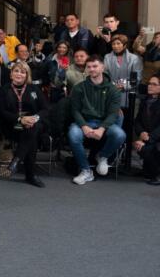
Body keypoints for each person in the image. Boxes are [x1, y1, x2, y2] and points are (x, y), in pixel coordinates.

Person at [67, 55, 125, 185]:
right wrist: (84, 126)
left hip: (104, 123)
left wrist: (102, 128)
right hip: (84, 121)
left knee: (120, 134)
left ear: (102, 67)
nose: (92, 69)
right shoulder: (79, 88)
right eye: (89, 67)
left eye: (95, 66)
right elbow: (75, 110)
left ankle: (102, 156)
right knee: (73, 134)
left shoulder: (113, 90)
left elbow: (113, 114)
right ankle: (86, 171)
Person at [0, 62, 49, 188]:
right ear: (11, 74)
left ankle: (16, 160)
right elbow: (2, 112)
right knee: (31, 136)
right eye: (16, 71)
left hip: (33, 124)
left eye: (23, 72)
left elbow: (45, 109)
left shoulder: (34, 89)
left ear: (27, 75)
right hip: (12, 126)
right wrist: (20, 119)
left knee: (33, 129)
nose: (19, 74)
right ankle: (30, 174)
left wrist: (34, 119)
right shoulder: (4, 89)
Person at [103, 34, 142, 110]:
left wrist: (123, 85)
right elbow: (105, 75)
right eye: (113, 44)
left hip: (129, 94)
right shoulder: (107, 57)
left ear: (124, 45)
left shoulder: (134, 58)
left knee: (128, 118)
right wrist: (113, 86)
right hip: (112, 92)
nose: (115, 46)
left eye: (118, 43)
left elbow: (138, 77)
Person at [133, 74, 160, 185]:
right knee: (140, 145)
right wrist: (141, 133)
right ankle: (147, 171)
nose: (150, 86)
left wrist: (147, 139)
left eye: (154, 84)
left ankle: (156, 175)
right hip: (148, 136)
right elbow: (137, 121)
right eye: (149, 83)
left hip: (156, 137)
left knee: (146, 148)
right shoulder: (145, 101)